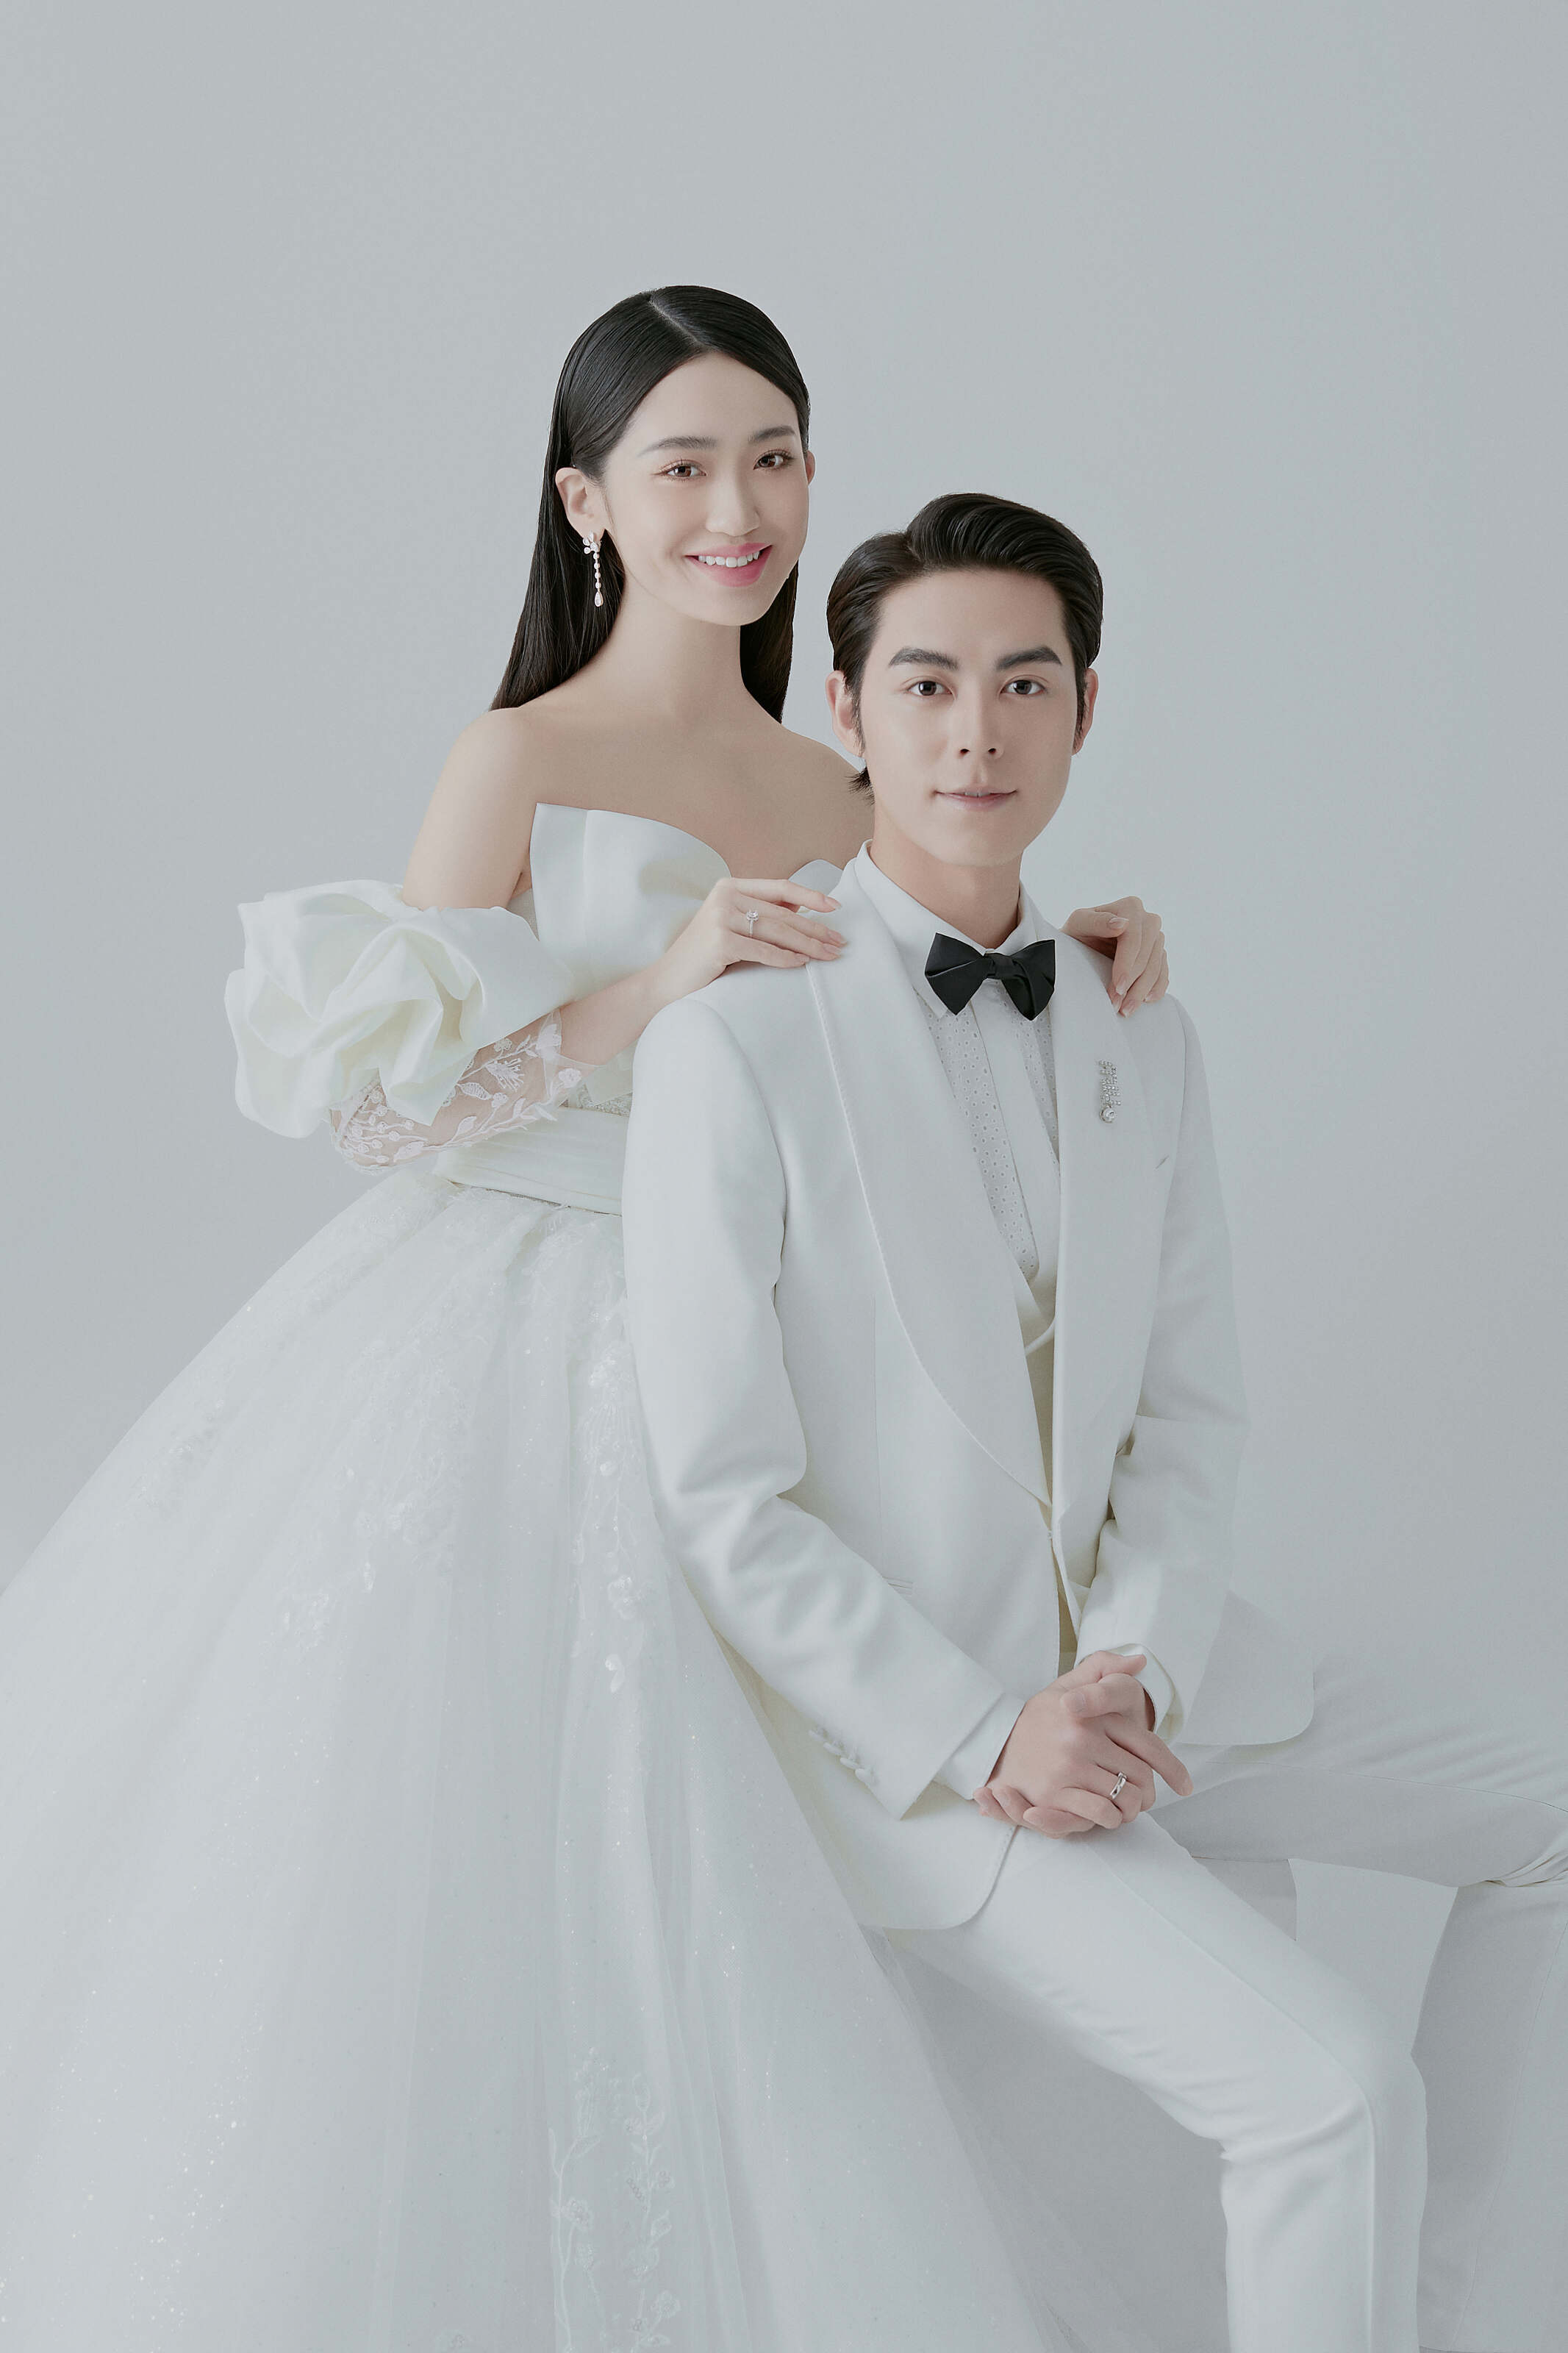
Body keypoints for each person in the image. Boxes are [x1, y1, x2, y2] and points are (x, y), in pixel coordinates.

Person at [0, 290, 1173, 2349]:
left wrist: (1091, 950)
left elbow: (937, 1008)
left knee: (780, 1872)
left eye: (772, 458)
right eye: (683, 464)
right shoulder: (523, 759)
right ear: (586, 503)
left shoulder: (840, 778)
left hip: (776, 1344)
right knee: (475, 1850)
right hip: (520, 1327)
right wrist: (652, 985)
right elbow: (383, 1116)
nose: (737, 507)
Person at [621, 490, 1568, 2353]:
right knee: (1330, 2087)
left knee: (1543, 1814)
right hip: (907, 1748)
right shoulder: (732, 1042)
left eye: (1022, 681)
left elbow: (1188, 1413)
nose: (974, 731)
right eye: (924, 684)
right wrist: (992, 1729)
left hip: (1141, 1687)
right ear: (844, 709)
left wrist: (1127, 1672)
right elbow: (720, 1499)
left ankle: (1441, 2317)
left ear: (1083, 708)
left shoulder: (1141, 1025)